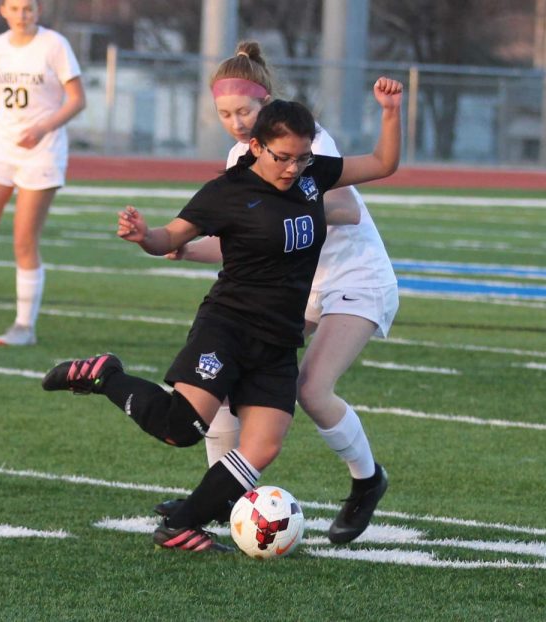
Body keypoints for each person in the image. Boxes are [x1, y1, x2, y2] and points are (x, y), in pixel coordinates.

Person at [42, 77, 403, 553]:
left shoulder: (313, 175)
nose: (293, 168)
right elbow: (171, 238)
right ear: (256, 146)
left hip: (278, 337)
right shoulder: (227, 191)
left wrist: (390, 111)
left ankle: (183, 523)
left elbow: (382, 163)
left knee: (264, 445)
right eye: (283, 157)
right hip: (229, 325)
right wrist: (144, 235)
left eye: (301, 157)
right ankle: (106, 376)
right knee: (180, 429)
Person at [156, 42, 398, 545]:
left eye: (245, 110)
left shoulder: (303, 140)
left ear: (266, 102)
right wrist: (181, 248)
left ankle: (367, 479)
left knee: (311, 388)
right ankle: (217, 499)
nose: (237, 122)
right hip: (296, 285)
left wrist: (282, 214)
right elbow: (242, 243)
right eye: (225, 113)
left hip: (353, 277)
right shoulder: (240, 158)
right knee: (223, 384)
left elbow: (347, 209)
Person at [0, 0, 85, 346]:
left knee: (24, 239)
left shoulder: (54, 44)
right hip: (0, 149)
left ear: (38, 11)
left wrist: (43, 128)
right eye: (15, 8)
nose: (22, 15)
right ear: (2, 11)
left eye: (28, 8)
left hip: (42, 152)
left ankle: (24, 327)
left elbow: (77, 99)